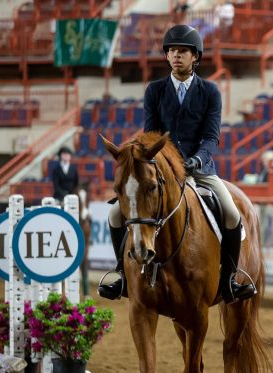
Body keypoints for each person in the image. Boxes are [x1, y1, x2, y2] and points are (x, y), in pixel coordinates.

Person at [98, 25, 256, 304]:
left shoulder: (210, 92)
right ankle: (122, 274)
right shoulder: (155, 91)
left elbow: (211, 136)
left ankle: (229, 279)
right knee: (114, 215)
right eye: (171, 51)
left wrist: (196, 159)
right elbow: (151, 135)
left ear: (196, 56)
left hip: (201, 170)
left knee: (232, 214)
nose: (175, 56)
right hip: (163, 171)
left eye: (182, 51)